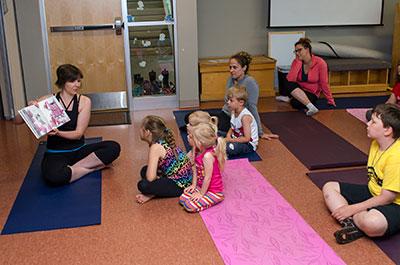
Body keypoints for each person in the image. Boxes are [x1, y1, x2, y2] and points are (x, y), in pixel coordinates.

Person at [15, 64, 121, 186]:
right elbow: (16, 121)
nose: (77, 85)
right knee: (53, 177)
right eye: (72, 81)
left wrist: (59, 133)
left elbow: (78, 134)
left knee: (113, 147)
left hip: (79, 150)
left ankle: (73, 169)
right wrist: (29, 108)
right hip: (56, 153)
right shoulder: (49, 100)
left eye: (79, 81)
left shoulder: (84, 101)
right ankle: (90, 168)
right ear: (63, 82)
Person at [322, 104, 400, 244]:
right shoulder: (377, 143)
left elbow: (388, 198)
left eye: (374, 122)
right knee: (329, 188)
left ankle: (355, 220)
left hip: (395, 204)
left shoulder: (396, 157)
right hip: (374, 193)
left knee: (372, 223)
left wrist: (352, 208)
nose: (368, 123)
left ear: (388, 130)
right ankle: (353, 225)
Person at [183, 51, 278, 140]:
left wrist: (260, 132)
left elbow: (253, 107)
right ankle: (195, 126)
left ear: (244, 68)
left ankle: (196, 128)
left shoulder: (250, 82)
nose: (231, 70)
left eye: (235, 67)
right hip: (225, 113)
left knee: (204, 127)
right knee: (189, 116)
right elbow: (226, 101)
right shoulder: (231, 79)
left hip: (235, 120)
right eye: (230, 67)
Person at [136, 115, 193, 204]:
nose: (139, 130)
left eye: (141, 128)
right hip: (185, 178)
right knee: (144, 170)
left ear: (147, 132)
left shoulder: (155, 147)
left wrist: (156, 178)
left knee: (143, 185)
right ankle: (155, 192)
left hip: (181, 185)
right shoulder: (164, 139)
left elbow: (151, 178)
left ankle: (152, 194)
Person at [279, 38, 336, 116]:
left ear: (307, 49)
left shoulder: (320, 63)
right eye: (296, 51)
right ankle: (311, 107)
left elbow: (324, 83)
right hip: (298, 89)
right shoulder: (296, 61)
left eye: (299, 50)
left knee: (296, 104)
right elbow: (291, 79)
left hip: (311, 93)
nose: (297, 53)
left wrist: (330, 100)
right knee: (287, 80)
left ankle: (291, 99)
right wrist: (298, 62)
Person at [179, 122, 226, 212]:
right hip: (201, 186)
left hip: (213, 191)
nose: (189, 137)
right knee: (182, 199)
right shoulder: (197, 150)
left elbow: (208, 178)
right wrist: (194, 185)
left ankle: (217, 198)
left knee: (189, 206)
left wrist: (201, 194)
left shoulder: (207, 156)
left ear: (199, 142)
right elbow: (195, 170)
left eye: (192, 137)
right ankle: (203, 195)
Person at [225, 85, 258, 156]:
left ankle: (222, 147)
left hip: (248, 144)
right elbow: (232, 126)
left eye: (231, 100)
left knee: (230, 148)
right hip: (236, 138)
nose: (228, 102)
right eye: (228, 100)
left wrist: (230, 140)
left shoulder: (245, 117)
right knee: (217, 134)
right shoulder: (233, 111)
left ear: (241, 102)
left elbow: (247, 138)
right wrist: (228, 135)